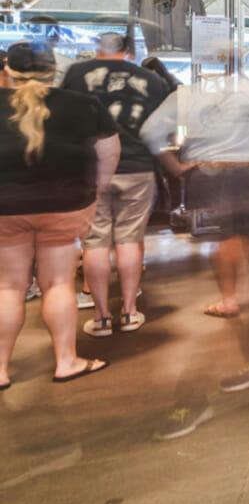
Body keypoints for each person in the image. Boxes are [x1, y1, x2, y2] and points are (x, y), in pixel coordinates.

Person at [141, 55, 249, 348]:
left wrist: (173, 167)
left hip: (210, 172)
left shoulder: (188, 94)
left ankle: (229, 300)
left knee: (227, 236)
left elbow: (150, 132)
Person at [0, 41, 119, 386]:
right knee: (58, 283)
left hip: (5, 207)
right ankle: (66, 361)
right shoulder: (85, 105)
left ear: (9, 70)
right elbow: (109, 153)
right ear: (55, 71)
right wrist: (95, 190)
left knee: (8, 286)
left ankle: (2, 370)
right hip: (65, 205)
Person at [61, 33, 171, 335]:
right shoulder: (151, 80)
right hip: (136, 167)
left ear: (99, 50)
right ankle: (130, 311)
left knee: (95, 243)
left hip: (90, 168)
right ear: (127, 52)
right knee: (129, 240)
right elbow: (163, 125)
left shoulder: (76, 73)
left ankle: (101, 318)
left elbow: (64, 119)